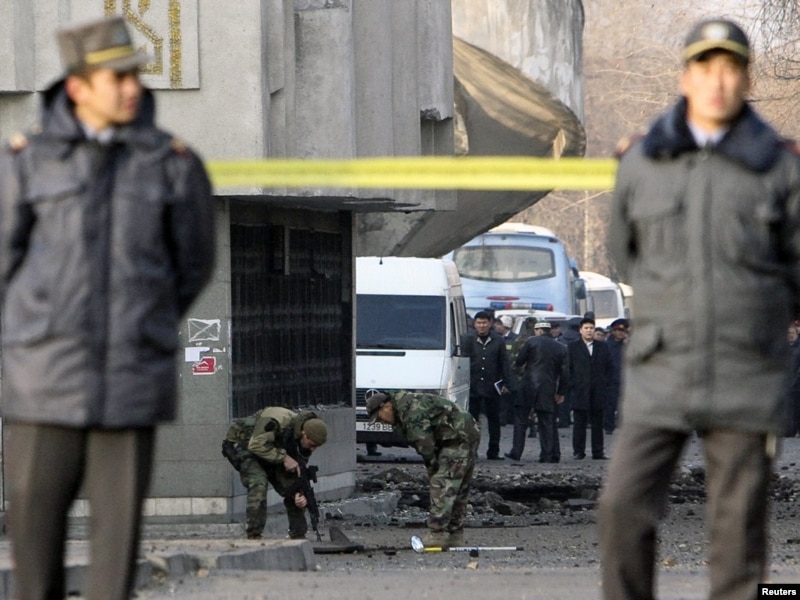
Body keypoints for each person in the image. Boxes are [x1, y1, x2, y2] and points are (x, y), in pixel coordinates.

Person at [0, 16, 215, 600]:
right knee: (33, 570)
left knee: (113, 571)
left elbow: (193, 266)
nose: (130, 88)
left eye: (134, 76)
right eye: (115, 78)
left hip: (129, 386)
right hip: (42, 387)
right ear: (78, 87)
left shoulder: (172, 163)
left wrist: (142, 322)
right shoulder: (25, 162)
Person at [599, 18, 800, 600]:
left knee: (738, 538)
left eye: (731, 68)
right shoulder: (642, 162)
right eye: (705, 67)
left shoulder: (781, 167)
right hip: (660, 369)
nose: (718, 82)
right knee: (621, 508)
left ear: (747, 79)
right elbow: (626, 254)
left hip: (746, 372)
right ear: (685, 77)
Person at [366, 391, 479, 546]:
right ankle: (455, 534)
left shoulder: (410, 411)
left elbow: (425, 444)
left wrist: (433, 467)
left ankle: (437, 534)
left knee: (442, 484)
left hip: (456, 438)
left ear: (387, 407)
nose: (382, 422)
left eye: (379, 417)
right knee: (458, 487)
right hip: (465, 432)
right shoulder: (405, 405)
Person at [223, 408, 328, 540]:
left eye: (316, 446)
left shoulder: (301, 439)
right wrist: (284, 458)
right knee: (259, 482)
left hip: (272, 451)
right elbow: (255, 445)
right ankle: (254, 535)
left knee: (295, 487)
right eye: (312, 445)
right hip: (246, 446)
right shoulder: (277, 421)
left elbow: (296, 469)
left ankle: (298, 535)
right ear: (304, 434)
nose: (312, 449)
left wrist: (298, 495)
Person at [511, 321, 568, 462]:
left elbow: (519, 361)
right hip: (548, 387)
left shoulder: (531, 342)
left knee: (521, 420)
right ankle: (547, 454)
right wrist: (561, 392)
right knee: (546, 422)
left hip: (528, 385)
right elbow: (565, 373)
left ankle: (516, 452)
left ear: (538, 330)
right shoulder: (561, 347)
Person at [464, 310, 513, 459]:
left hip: (492, 386)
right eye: (479, 323)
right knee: (471, 421)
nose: (482, 326)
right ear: (474, 324)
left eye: (484, 323)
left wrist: (507, 383)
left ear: (490, 323)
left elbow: (504, 362)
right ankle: (471, 451)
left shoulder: (498, 340)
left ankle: (493, 451)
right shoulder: (467, 339)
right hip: (472, 386)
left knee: (494, 420)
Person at [567, 318, 613, 460]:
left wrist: (605, 383)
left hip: (598, 390)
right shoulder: (572, 347)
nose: (589, 331)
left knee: (598, 423)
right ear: (580, 330)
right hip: (580, 390)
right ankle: (578, 451)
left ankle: (598, 451)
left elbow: (609, 367)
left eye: (591, 328)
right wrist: (573, 383)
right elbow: (568, 368)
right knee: (579, 422)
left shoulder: (603, 347)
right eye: (586, 328)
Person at [604, 318, 629, 435]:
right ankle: (609, 426)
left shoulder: (629, 345)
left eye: (623, 331)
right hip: (611, 379)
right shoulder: (607, 345)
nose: (620, 333)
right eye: (618, 331)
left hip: (627, 379)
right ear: (613, 331)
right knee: (610, 404)